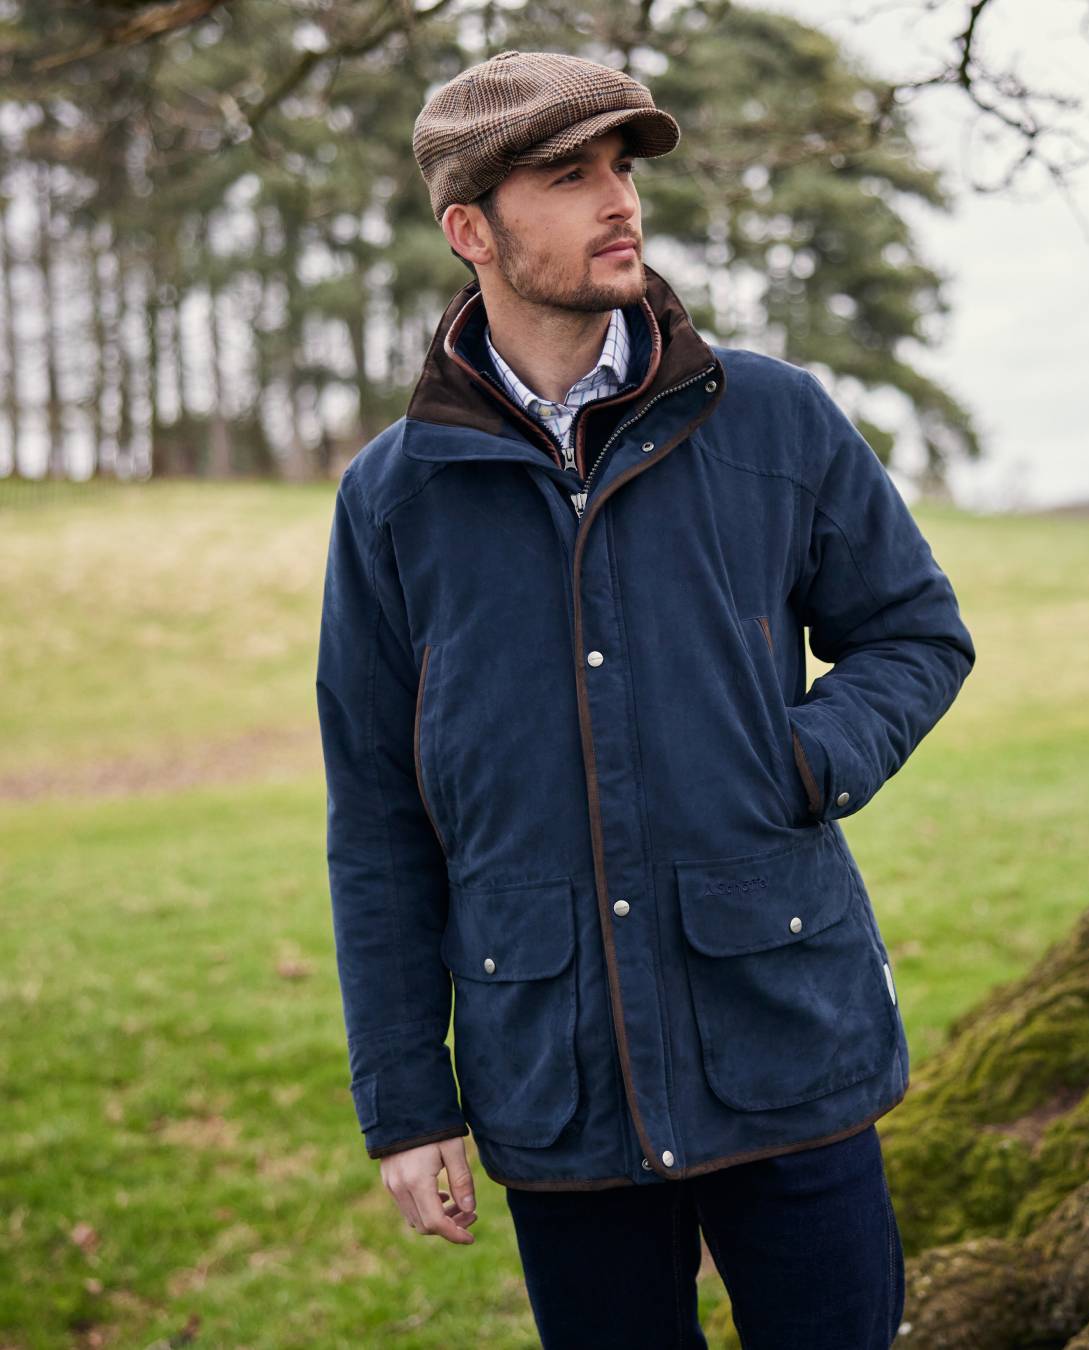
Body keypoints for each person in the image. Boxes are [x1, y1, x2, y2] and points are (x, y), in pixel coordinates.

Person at [314, 47, 975, 1348]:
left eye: (621, 168)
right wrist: (405, 1100)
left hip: (787, 1037)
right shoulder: (393, 500)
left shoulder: (773, 421)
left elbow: (915, 632)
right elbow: (377, 814)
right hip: (558, 1085)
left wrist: (806, 760)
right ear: (472, 231)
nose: (620, 200)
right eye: (569, 177)